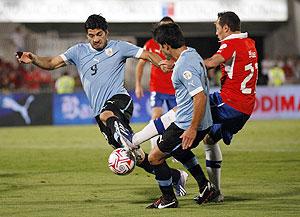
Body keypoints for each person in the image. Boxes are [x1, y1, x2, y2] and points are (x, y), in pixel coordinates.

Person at [15, 14, 188, 197]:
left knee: (108, 115)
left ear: (106, 32)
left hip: (119, 100)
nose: (96, 39)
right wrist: (34, 58)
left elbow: (146, 54)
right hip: (101, 113)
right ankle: (176, 176)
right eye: (91, 35)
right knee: (136, 158)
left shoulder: (119, 47)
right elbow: (51, 63)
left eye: (99, 34)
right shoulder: (78, 51)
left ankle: (128, 140)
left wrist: (160, 63)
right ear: (87, 35)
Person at [132, 11, 259, 203]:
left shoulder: (231, 43)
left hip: (230, 103)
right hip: (245, 106)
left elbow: (211, 64)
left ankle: (134, 140)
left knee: (181, 112)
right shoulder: (249, 43)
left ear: (226, 28)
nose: (216, 33)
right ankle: (214, 191)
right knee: (208, 141)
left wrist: (182, 66)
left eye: (217, 28)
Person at [138, 23, 215, 209]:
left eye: (160, 46)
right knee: (179, 151)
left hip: (187, 123)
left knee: (154, 157)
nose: (160, 50)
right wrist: (174, 65)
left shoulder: (183, 66)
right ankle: (206, 186)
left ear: (165, 46)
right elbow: (190, 72)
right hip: (203, 121)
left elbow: (200, 96)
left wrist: (192, 128)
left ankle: (168, 199)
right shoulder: (191, 53)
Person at [135, 16, 176, 149]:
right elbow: (140, 64)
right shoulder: (151, 44)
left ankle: (176, 148)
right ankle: (154, 145)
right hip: (157, 88)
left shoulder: (177, 45)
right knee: (157, 114)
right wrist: (138, 85)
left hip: (175, 89)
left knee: (177, 119)